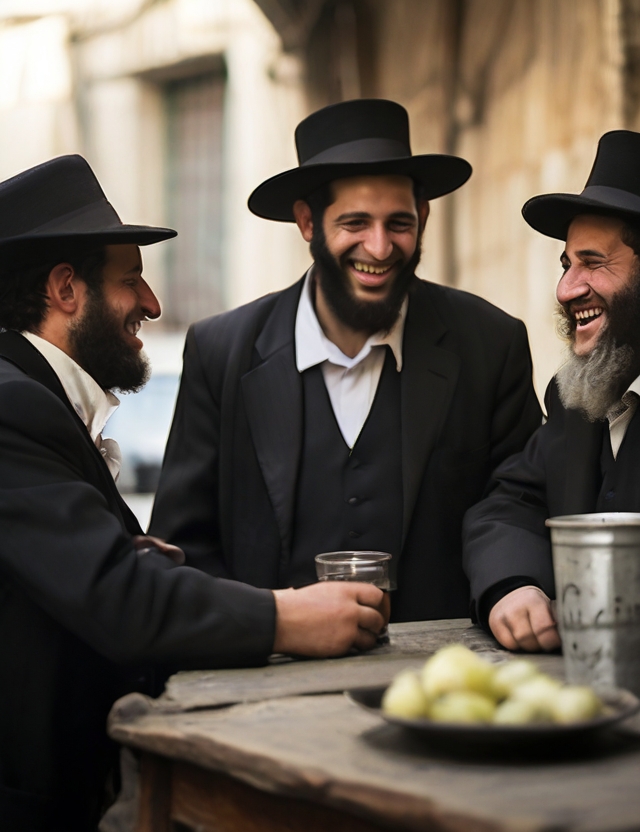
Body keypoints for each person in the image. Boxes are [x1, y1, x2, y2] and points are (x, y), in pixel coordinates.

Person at [0, 155, 388, 832]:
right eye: (131, 281)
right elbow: (113, 591)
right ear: (66, 288)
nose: (150, 304)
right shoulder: (12, 407)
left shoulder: (32, 397)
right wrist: (286, 616)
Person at [150, 98, 542, 622]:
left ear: (423, 217)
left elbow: (518, 505)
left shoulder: (490, 343)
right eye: (355, 222)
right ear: (308, 221)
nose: (379, 247)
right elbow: (185, 547)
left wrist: (509, 588)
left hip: (448, 676)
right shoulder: (220, 350)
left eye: (399, 223)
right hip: (265, 685)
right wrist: (263, 627)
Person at [463, 130, 640, 653]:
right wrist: (513, 584)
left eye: (594, 263)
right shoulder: (575, 400)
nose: (566, 290)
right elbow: (509, 503)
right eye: (567, 265)